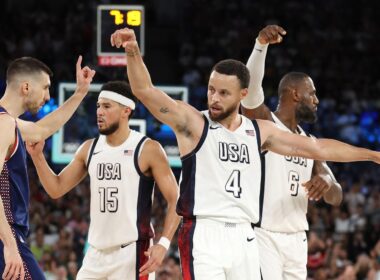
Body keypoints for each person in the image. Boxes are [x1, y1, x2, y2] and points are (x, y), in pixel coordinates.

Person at [110, 28, 380, 280]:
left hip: (245, 236)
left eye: (223, 93)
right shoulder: (194, 123)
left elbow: (318, 148)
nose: (214, 98)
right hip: (204, 232)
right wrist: (133, 49)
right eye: (211, 90)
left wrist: (372, 155)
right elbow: (145, 91)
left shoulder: (260, 131)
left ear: (242, 95)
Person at [27, 81, 181, 280]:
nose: (99, 111)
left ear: (126, 110)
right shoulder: (89, 148)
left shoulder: (147, 149)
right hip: (95, 254)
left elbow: (175, 198)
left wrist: (163, 244)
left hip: (132, 252)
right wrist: (38, 157)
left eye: (107, 106)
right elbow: (56, 189)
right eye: (98, 106)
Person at [240, 25, 343, 279]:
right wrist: (260, 46)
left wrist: (327, 180)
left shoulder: (310, 143)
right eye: (313, 94)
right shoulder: (266, 124)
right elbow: (249, 95)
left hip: (297, 239)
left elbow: (336, 197)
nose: (317, 101)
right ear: (295, 94)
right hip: (264, 234)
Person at [0, 56, 95, 279]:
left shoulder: (9, 123)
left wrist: (80, 93)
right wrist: (9, 243)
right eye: (45, 88)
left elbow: (41, 130)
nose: (48, 96)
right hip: (7, 234)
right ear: (25, 87)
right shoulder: (4, 125)